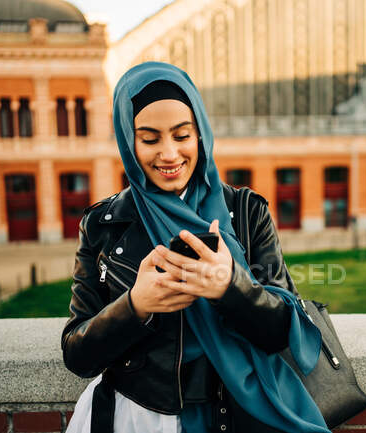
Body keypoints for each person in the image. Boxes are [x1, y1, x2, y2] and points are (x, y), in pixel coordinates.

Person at [61, 62, 330, 433]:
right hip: (139, 418)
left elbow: (284, 332)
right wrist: (135, 306)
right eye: (150, 139)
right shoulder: (103, 225)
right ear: (128, 140)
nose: (169, 154)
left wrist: (230, 287)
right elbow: (77, 354)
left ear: (200, 134)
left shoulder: (247, 212)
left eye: (182, 135)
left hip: (235, 417)